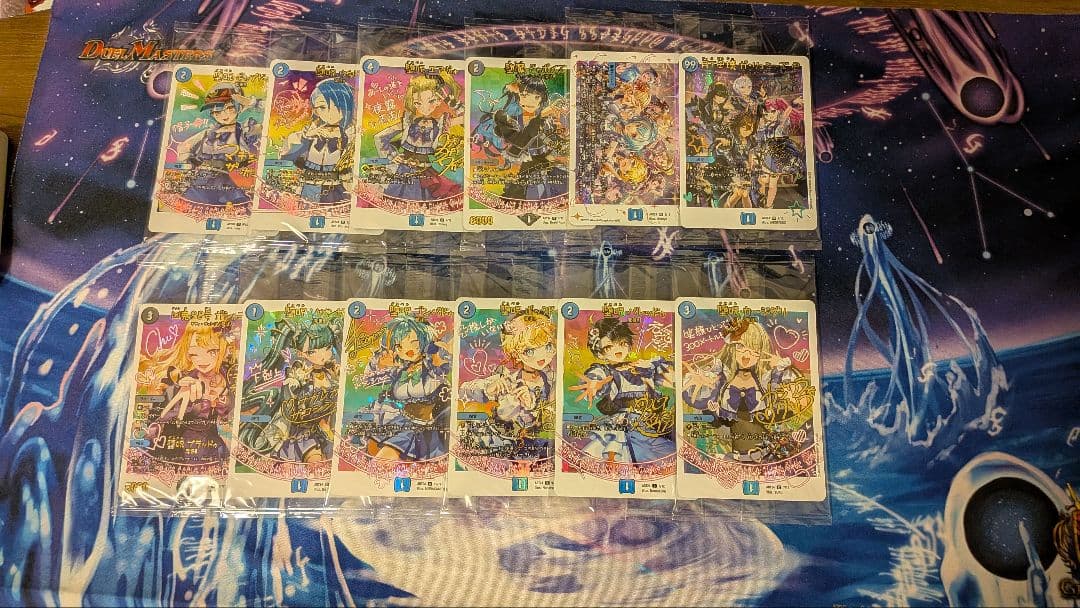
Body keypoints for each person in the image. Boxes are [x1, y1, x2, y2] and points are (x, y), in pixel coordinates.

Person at [682, 317, 799, 460]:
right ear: (732, 348)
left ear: (761, 352)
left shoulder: (765, 379)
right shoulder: (725, 379)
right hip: (737, 451)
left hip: (766, 451)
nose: (746, 356)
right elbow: (720, 422)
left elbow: (780, 406)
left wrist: (780, 370)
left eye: (754, 350)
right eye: (741, 347)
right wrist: (713, 410)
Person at [570, 317, 674, 464]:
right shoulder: (606, 371)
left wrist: (652, 368)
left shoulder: (644, 367)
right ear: (600, 354)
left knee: (668, 455)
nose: (617, 349)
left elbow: (672, 380)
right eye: (608, 347)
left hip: (651, 425)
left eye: (622, 343)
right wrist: (594, 384)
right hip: (625, 427)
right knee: (626, 457)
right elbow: (597, 378)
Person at [240, 318, 340, 464]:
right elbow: (290, 400)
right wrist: (296, 383)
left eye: (328, 347)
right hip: (305, 433)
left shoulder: (331, 374)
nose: (322, 355)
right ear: (301, 353)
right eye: (313, 351)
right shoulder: (299, 374)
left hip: (328, 431)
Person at [459, 310, 556, 460]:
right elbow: (463, 390)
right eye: (530, 351)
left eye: (548, 347)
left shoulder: (551, 379)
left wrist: (533, 407)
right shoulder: (507, 378)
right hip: (500, 443)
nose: (541, 356)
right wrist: (488, 389)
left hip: (537, 446)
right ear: (516, 353)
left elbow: (554, 415)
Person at [142, 323, 236, 466]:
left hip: (216, 452)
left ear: (222, 350)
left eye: (211, 352)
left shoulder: (231, 377)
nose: (202, 360)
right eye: (194, 354)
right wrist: (179, 405)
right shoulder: (179, 386)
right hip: (183, 454)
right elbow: (154, 425)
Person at [364, 316, 451, 461]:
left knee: (382, 461)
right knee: (371, 451)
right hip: (399, 423)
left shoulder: (434, 369)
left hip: (421, 430)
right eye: (399, 346)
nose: (407, 350)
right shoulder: (399, 371)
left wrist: (441, 353)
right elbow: (369, 379)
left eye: (413, 343)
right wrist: (376, 361)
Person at [472, 75, 568, 203]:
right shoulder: (510, 122)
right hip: (527, 168)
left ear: (542, 98)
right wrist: (540, 118)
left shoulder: (547, 119)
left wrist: (561, 138)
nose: (530, 101)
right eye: (524, 95)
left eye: (536, 97)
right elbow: (521, 142)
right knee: (529, 195)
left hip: (548, 166)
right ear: (518, 97)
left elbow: (553, 141)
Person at [376, 72, 464, 202]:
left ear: (439, 101)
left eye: (431, 101)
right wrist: (392, 155)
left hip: (425, 172)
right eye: (418, 103)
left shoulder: (440, 124)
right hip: (403, 170)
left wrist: (453, 104)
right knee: (396, 200)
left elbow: (465, 119)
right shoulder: (408, 122)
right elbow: (380, 137)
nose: (424, 107)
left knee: (425, 202)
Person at [172, 82, 261, 206]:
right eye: (216, 112)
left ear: (239, 107)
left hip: (226, 181)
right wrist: (187, 168)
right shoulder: (208, 132)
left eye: (229, 108)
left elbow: (263, 122)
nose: (223, 115)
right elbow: (184, 147)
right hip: (201, 180)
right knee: (192, 203)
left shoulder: (244, 129)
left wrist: (252, 103)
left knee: (239, 205)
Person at [280, 78, 355, 205]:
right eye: (320, 107)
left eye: (336, 106)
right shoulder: (308, 133)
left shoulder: (350, 136)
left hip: (335, 189)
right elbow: (287, 157)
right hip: (309, 187)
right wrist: (306, 138)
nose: (330, 112)